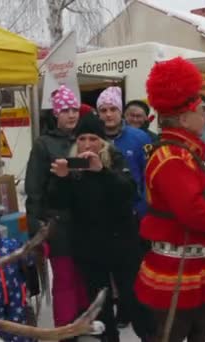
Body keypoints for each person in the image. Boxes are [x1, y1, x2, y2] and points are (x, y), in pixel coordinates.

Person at [133, 57, 205, 342]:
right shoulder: (170, 157)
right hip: (177, 273)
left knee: (201, 330)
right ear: (184, 118)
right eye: (201, 111)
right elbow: (193, 211)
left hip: (196, 268)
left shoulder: (189, 153)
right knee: (175, 333)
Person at [50, 113, 153, 342]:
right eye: (83, 138)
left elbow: (129, 192)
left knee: (134, 298)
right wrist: (61, 179)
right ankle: (108, 338)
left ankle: (150, 336)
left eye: (93, 138)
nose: (87, 144)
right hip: (88, 247)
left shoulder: (115, 159)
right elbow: (58, 204)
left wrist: (102, 172)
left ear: (102, 142)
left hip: (122, 244)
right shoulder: (71, 165)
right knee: (99, 303)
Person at [25, 85, 89, 337]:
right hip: (58, 221)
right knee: (64, 277)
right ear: (55, 114)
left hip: (85, 220)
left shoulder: (85, 139)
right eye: (65, 110)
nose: (71, 115)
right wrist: (35, 224)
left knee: (84, 273)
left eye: (74, 109)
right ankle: (64, 328)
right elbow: (34, 187)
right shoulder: (44, 144)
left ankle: (83, 322)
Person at [97, 86, 152, 218]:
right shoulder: (91, 139)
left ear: (120, 111)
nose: (108, 114)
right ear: (98, 114)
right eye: (103, 110)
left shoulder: (141, 137)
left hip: (133, 212)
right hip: (101, 214)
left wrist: (141, 209)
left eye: (113, 109)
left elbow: (149, 175)